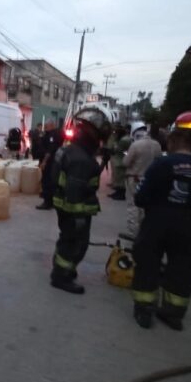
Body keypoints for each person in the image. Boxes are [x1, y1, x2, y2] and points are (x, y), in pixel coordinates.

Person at [131, 129, 191, 331]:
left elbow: (140, 197)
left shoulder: (162, 164)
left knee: (148, 265)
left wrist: (153, 206)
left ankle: (144, 310)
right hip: (187, 225)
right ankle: (173, 315)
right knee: (181, 270)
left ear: (172, 142)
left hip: (157, 222)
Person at [49, 107, 112, 294]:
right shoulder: (82, 160)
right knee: (75, 243)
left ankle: (63, 270)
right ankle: (61, 277)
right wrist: (78, 218)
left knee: (66, 239)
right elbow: (75, 190)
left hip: (63, 205)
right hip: (75, 210)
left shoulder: (68, 150)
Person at [123, 122, 162, 237]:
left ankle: (133, 232)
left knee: (133, 205)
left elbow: (126, 162)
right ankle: (145, 231)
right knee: (145, 206)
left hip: (134, 178)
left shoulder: (136, 145)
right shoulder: (157, 145)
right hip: (150, 180)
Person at [36, 121, 64, 210]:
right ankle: (51, 202)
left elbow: (50, 150)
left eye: (47, 126)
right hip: (51, 162)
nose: (45, 128)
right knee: (51, 181)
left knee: (46, 181)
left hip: (49, 162)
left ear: (52, 126)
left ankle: (47, 202)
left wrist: (44, 161)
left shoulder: (52, 135)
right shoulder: (53, 134)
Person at [109, 125, 132, 200]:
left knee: (120, 180)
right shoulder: (125, 139)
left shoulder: (124, 140)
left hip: (120, 160)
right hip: (119, 160)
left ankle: (121, 194)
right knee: (118, 178)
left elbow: (117, 149)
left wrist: (114, 145)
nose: (114, 134)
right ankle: (118, 192)